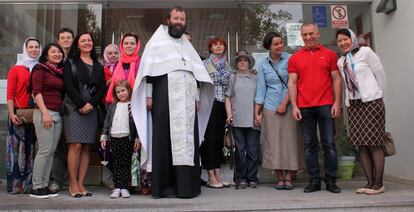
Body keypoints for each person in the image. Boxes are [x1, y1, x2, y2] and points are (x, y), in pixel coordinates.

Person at [131, 6, 214, 198]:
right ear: (168, 20)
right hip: (163, 98)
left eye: (182, 19)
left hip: (187, 103)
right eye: (176, 18)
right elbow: (148, 74)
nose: (179, 22)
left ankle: (187, 187)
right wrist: (149, 96)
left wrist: (197, 97)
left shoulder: (187, 45)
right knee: (163, 140)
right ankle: (164, 186)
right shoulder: (157, 42)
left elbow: (197, 75)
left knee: (187, 141)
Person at [287, 22, 342, 193]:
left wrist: (337, 102)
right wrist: (294, 106)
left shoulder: (330, 54)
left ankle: (331, 181)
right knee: (309, 145)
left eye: (311, 34)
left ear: (318, 34)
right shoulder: (294, 58)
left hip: (326, 105)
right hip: (304, 107)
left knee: (329, 144)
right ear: (301, 36)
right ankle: (314, 181)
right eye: (305, 35)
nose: (308, 37)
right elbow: (292, 83)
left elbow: (336, 79)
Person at [336, 28, 387, 195]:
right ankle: (369, 183)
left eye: (345, 39)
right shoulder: (340, 61)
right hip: (354, 106)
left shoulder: (366, 52)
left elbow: (380, 75)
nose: (343, 43)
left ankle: (379, 184)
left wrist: (379, 96)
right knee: (362, 144)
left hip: (371, 102)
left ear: (352, 39)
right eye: (339, 41)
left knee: (374, 142)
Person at [255, 32, 303, 190]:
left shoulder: (291, 59)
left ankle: (289, 176)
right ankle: (280, 177)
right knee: (273, 143)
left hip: (289, 105)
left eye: (281, 43)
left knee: (290, 141)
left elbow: (294, 84)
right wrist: (258, 110)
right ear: (269, 46)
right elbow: (261, 88)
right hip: (270, 107)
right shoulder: (263, 64)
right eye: (276, 44)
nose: (280, 46)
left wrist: (284, 103)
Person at [62, 32, 105, 198]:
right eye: (83, 40)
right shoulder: (70, 62)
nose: (87, 42)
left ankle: (81, 183)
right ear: (78, 45)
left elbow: (102, 88)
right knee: (76, 145)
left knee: (87, 146)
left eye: (89, 40)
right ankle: (72, 183)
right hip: (73, 108)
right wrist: (81, 104)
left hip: (91, 109)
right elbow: (68, 85)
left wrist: (91, 104)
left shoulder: (98, 64)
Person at [6, 37, 41, 194]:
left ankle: (30, 185)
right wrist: (11, 113)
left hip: (35, 115)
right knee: (16, 150)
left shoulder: (41, 68)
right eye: (31, 47)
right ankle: (15, 186)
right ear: (25, 49)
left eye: (36, 47)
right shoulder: (16, 69)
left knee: (32, 149)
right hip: (18, 114)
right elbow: (10, 94)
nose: (34, 49)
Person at [30, 43, 65, 199]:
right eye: (53, 51)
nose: (57, 54)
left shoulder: (59, 72)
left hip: (58, 114)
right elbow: (36, 91)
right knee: (44, 150)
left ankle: (44, 185)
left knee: (51, 152)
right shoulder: (40, 68)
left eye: (59, 52)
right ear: (46, 55)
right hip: (45, 112)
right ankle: (36, 186)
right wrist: (44, 113)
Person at [225, 51, 259, 189]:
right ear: (236, 64)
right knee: (239, 150)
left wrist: (259, 114)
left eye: (245, 60)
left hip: (253, 118)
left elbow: (260, 97)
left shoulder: (256, 77)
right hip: (238, 118)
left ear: (249, 63)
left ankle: (252, 177)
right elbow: (228, 97)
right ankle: (240, 178)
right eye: (240, 61)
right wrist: (229, 115)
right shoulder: (233, 77)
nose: (243, 62)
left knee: (253, 150)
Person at [100, 80, 140, 198]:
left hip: (127, 137)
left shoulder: (133, 105)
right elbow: (107, 122)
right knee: (116, 163)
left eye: (123, 90)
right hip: (114, 137)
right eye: (118, 92)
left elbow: (138, 123)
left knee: (126, 163)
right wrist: (104, 136)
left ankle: (125, 187)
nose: (121, 93)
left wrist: (137, 138)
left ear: (129, 91)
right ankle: (117, 187)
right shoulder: (113, 106)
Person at [200, 36, 231, 188]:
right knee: (209, 140)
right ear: (210, 48)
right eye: (215, 45)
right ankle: (210, 175)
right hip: (209, 103)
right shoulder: (205, 64)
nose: (218, 47)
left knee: (219, 140)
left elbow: (229, 87)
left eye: (221, 45)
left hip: (222, 104)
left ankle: (218, 174)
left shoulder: (227, 65)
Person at [49, 27, 74, 193]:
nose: (65, 40)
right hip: (56, 107)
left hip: (73, 107)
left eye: (68, 38)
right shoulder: (53, 61)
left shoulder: (76, 59)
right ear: (58, 41)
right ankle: (57, 180)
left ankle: (74, 180)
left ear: (72, 40)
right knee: (57, 146)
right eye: (62, 38)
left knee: (75, 145)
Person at [106, 32, 141, 104]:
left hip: (136, 103)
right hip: (117, 103)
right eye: (126, 43)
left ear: (137, 45)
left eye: (132, 43)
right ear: (122, 45)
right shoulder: (117, 63)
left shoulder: (141, 64)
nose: (129, 46)